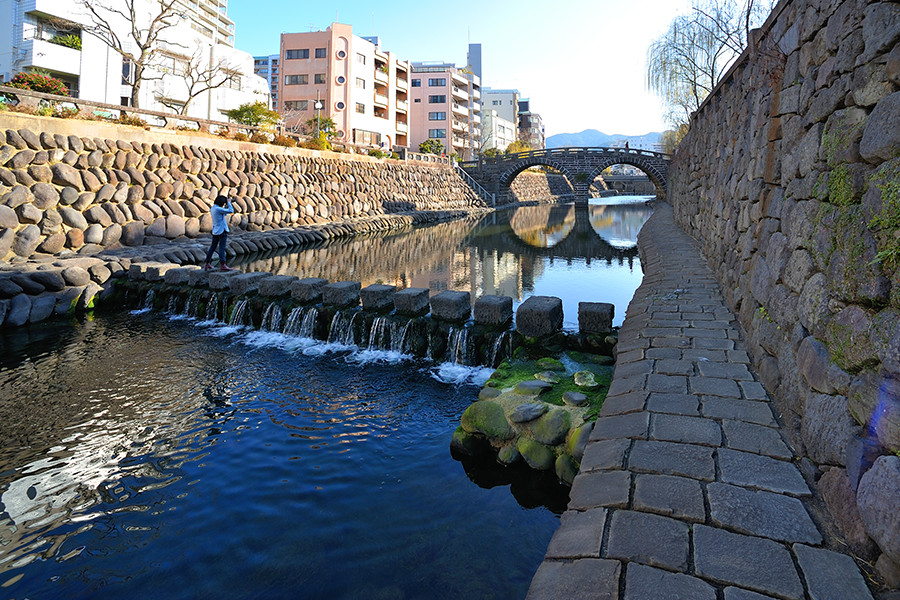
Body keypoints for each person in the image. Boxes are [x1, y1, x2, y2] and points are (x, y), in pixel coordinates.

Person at [204, 195, 235, 271]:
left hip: (215, 231)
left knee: (212, 247)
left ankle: (207, 263)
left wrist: (226, 205)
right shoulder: (218, 209)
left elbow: (223, 213)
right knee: (222, 248)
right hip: (222, 231)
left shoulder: (213, 208)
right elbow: (231, 211)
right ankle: (223, 264)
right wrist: (229, 203)